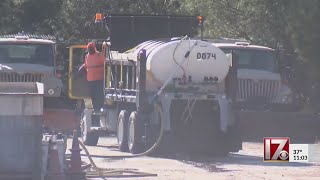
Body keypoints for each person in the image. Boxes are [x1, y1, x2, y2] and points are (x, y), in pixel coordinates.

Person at [77, 42, 105, 113]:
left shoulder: (99, 55)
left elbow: (105, 63)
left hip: (99, 79)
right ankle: (96, 109)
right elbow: (85, 66)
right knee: (93, 95)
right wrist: (78, 72)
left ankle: (100, 108)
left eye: (90, 48)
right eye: (89, 48)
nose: (89, 49)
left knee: (99, 94)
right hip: (91, 80)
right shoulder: (87, 56)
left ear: (94, 48)